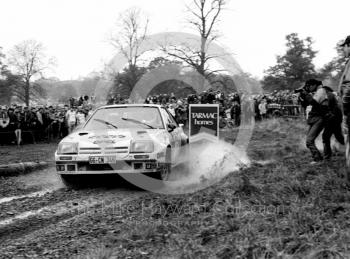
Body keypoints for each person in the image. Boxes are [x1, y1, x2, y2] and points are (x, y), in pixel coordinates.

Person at [298, 79, 330, 163]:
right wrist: (302, 97)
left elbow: (314, 103)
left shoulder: (321, 91)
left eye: (309, 86)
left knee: (309, 141)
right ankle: (318, 158)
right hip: (316, 118)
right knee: (308, 141)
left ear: (314, 85)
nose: (308, 88)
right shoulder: (319, 91)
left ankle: (318, 159)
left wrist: (307, 95)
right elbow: (306, 104)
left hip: (319, 118)